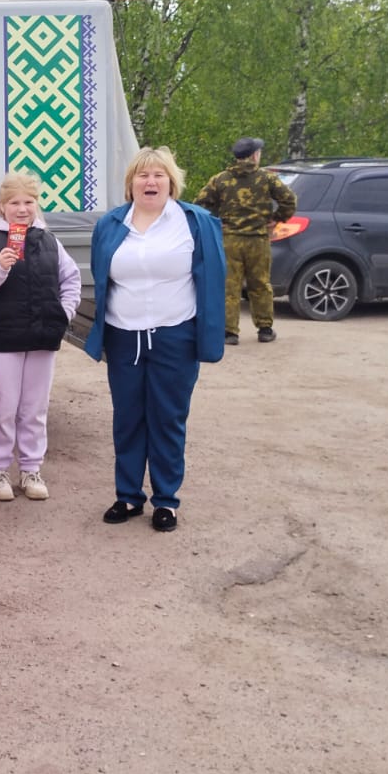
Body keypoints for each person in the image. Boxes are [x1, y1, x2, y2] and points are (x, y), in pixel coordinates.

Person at [84, 146, 226, 532]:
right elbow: (101, 275)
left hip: (175, 335)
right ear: (131, 183)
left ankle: (166, 500)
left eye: (159, 175)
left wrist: (210, 336)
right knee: (127, 418)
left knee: (167, 418)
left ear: (172, 182)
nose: (151, 181)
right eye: (143, 175)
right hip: (123, 336)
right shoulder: (110, 224)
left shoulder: (196, 222)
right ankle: (129, 495)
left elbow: (214, 280)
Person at [0, 172, 83, 503]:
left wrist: (64, 313)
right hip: (2, 341)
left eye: (28, 202)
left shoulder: (50, 242)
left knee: (35, 408)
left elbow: (71, 279)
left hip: (42, 337)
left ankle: (31, 469)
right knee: (4, 408)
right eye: (14, 203)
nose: (22, 209)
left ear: (37, 204)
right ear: (1, 206)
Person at [193, 136, 296, 344]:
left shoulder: (220, 179)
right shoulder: (267, 178)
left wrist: (216, 223)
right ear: (255, 156)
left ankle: (229, 332)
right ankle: (265, 329)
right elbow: (289, 200)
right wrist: (276, 218)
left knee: (229, 287)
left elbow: (200, 205)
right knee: (260, 284)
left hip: (229, 240)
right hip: (258, 240)